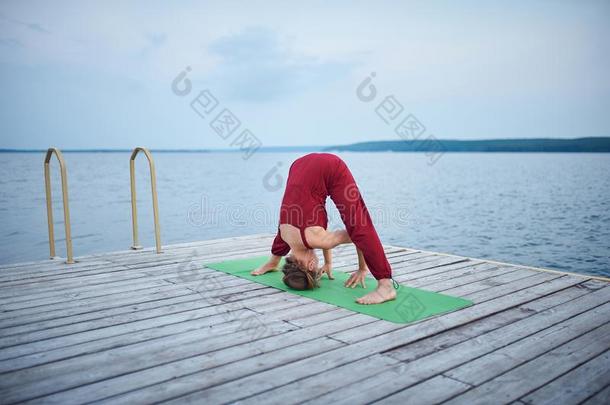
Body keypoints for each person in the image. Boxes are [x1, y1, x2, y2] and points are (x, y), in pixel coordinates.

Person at [251, 153, 397, 305]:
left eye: (315, 270)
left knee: (358, 223)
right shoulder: (286, 233)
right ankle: (273, 262)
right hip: (298, 166)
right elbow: (319, 239)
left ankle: (386, 286)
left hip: (331, 167)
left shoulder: (317, 239)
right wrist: (328, 263)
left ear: (312, 266)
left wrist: (362, 268)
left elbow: (356, 235)